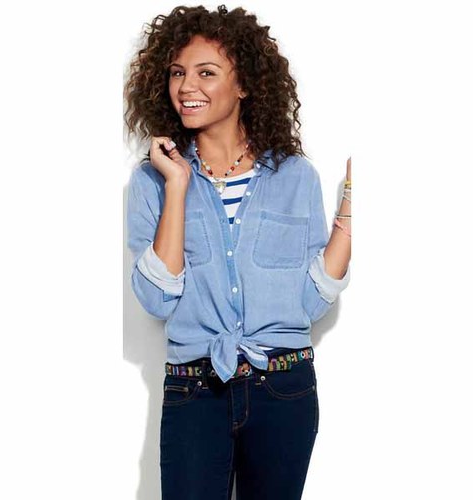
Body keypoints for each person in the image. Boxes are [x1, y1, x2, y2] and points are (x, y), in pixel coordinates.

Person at [123, 5, 351, 499]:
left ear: (244, 84)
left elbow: (311, 303)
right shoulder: (151, 181)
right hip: (194, 388)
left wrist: (349, 218)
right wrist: (178, 184)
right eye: (178, 73)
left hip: (284, 387)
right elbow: (157, 300)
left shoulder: (296, 177)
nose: (187, 86)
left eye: (206, 73)